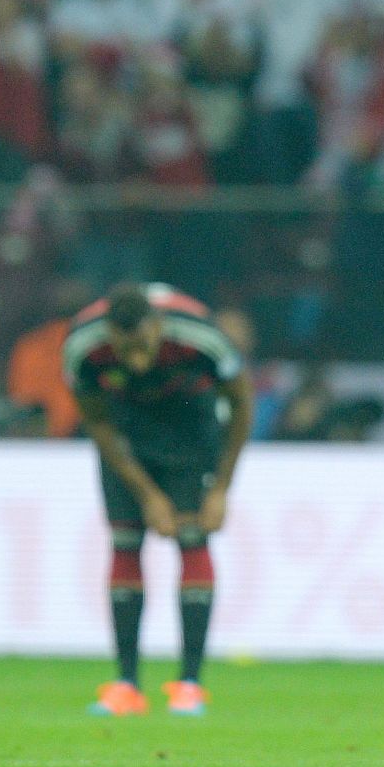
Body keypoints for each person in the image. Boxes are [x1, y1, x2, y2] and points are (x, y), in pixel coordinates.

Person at [63, 283, 253, 717]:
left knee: (192, 539)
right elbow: (95, 420)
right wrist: (147, 494)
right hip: (127, 436)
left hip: (192, 429)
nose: (135, 360)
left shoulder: (201, 337)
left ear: (159, 326)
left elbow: (242, 405)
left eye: (144, 346)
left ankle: (190, 684)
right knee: (126, 544)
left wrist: (222, 489)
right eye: (124, 349)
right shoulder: (82, 346)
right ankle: (126, 685)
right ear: (110, 333)